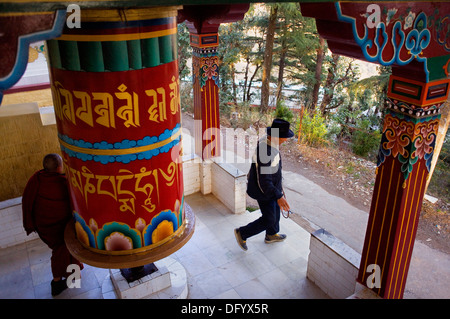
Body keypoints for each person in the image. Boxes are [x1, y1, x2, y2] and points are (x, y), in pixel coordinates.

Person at [22, 153, 83, 296]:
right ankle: (56, 283)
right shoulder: (62, 182)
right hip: (57, 227)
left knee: (67, 250)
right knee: (62, 251)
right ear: (59, 167)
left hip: (43, 226)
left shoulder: (36, 179)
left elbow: (27, 200)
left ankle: (72, 278)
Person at [234, 118, 294, 251]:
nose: (285, 140)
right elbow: (265, 181)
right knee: (269, 219)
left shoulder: (270, 144)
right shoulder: (265, 151)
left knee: (276, 212)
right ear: (274, 136)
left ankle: (271, 235)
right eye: (283, 137)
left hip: (272, 189)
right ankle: (242, 233)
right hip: (264, 192)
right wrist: (277, 195)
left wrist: (279, 189)